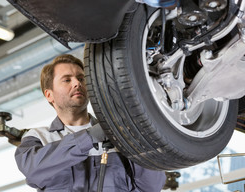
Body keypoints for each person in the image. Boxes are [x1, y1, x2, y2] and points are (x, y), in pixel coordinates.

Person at [15, 54, 166, 191]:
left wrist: (137, 139)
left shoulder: (120, 135)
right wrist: (90, 137)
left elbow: (152, 186)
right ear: (49, 95)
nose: (77, 83)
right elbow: (33, 170)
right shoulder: (39, 137)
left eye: (81, 78)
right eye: (67, 79)